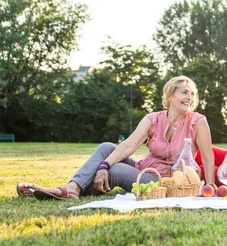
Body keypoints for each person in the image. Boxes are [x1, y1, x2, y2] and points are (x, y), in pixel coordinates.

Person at [16, 76, 216, 200]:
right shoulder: (153, 119)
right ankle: (72, 188)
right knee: (106, 147)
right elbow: (128, 145)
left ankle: (62, 191)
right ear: (170, 96)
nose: (190, 97)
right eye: (184, 92)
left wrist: (209, 186)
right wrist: (103, 166)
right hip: (144, 170)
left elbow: (207, 156)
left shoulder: (198, 121)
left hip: (168, 181)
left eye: (192, 94)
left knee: (116, 169)